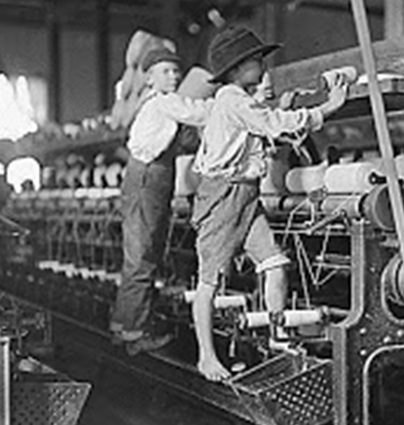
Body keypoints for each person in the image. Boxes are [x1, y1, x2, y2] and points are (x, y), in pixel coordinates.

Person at [190, 26, 348, 381]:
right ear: (234, 70)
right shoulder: (232, 99)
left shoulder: (236, 100)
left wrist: (284, 108)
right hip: (224, 197)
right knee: (209, 281)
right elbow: (274, 123)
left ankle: (277, 337)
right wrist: (328, 108)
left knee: (275, 263)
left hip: (246, 195)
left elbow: (269, 122)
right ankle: (206, 357)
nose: (262, 67)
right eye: (255, 61)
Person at [110, 47, 213, 355]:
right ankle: (136, 334)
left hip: (148, 177)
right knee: (143, 258)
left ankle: (123, 325)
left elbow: (185, 134)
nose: (174, 75)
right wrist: (233, 103)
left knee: (139, 257)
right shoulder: (164, 102)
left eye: (175, 71)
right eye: (165, 71)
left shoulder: (153, 103)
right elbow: (198, 112)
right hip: (148, 179)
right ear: (150, 77)